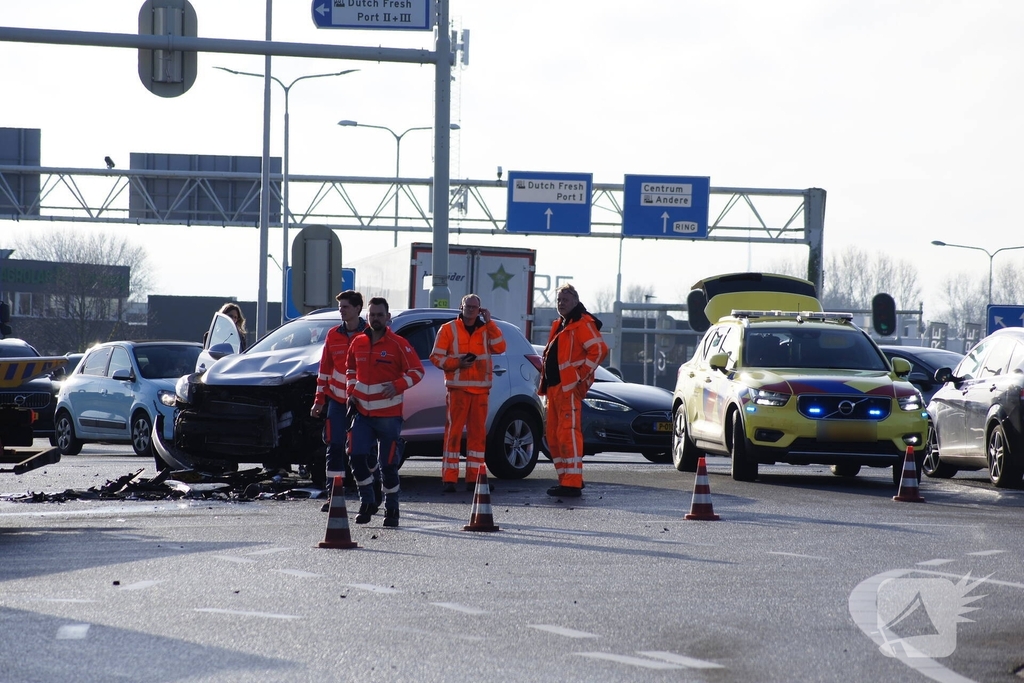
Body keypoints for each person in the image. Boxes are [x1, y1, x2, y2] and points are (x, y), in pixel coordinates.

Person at [346, 297, 424, 527]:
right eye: (372, 315)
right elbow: (350, 369)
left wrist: (398, 385)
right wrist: (351, 390)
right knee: (356, 456)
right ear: (367, 317)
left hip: (389, 416)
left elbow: (418, 371)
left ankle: (392, 509)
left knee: (388, 464)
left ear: (388, 317)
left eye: (380, 315)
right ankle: (368, 501)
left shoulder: (398, 343)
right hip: (362, 414)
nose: (376, 319)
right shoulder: (357, 342)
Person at [429, 294, 507, 492]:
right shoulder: (448, 329)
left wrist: (489, 322)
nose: (471, 310)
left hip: (480, 390)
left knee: (477, 436)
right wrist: (458, 363)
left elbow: (500, 347)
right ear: (461, 307)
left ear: (480, 310)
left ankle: (474, 478)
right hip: (458, 390)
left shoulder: (486, 329)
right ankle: (449, 479)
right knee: (453, 435)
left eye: (475, 307)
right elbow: (436, 357)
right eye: (468, 306)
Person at [540, 284, 608, 498]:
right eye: (559, 300)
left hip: (568, 388)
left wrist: (579, 375)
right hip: (555, 388)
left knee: (567, 434)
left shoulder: (582, 323)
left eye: (565, 300)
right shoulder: (562, 324)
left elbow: (599, 350)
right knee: (553, 435)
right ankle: (565, 479)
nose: (561, 303)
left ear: (576, 301)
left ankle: (572, 482)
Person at [311, 290, 366, 511]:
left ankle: (369, 494)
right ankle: (334, 493)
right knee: (334, 445)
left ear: (358, 309)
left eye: (345, 307)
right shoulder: (333, 334)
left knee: (363, 449)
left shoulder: (369, 334)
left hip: (363, 400)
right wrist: (319, 400)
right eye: (340, 307)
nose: (341, 310)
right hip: (336, 399)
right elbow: (324, 370)